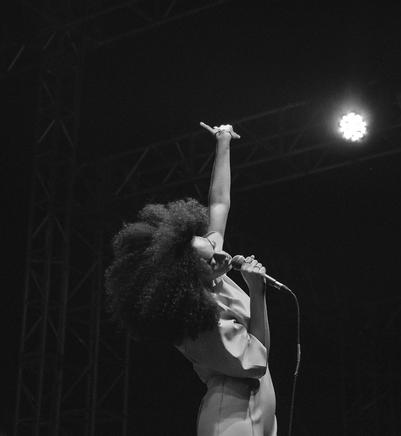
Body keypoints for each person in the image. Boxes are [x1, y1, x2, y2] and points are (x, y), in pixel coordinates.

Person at [105, 122, 277, 436]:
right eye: (210, 260)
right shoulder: (198, 321)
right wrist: (257, 292)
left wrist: (223, 141)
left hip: (258, 407)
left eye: (214, 247)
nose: (221, 256)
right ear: (188, 277)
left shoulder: (207, 267)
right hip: (233, 412)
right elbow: (258, 358)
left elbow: (219, 202)